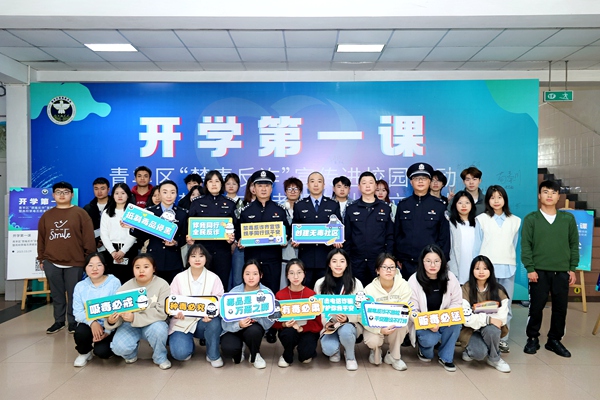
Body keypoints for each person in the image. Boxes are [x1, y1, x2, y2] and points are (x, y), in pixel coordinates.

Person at [522, 180, 578, 358]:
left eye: (553, 193)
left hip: (562, 271)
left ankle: (554, 340)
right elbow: (526, 246)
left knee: (560, 308)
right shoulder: (531, 219)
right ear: (539, 195)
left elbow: (574, 245)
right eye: (546, 192)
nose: (549, 196)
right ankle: (532, 338)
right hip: (538, 272)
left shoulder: (568, 219)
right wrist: (530, 268)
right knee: (536, 307)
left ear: (558, 196)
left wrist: (572, 268)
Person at [38, 181, 96, 334]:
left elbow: (88, 238)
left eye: (65, 192)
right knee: (57, 294)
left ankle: (73, 321)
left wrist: (88, 258)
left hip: (75, 262)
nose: (62, 195)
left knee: (74, 294)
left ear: (72, 194)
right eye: (58, 192)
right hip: (51, 261)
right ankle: (58, 321)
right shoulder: (47, 215)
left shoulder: (80, 213)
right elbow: (41, 239)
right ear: (53, 195)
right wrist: (41, 258)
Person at [474, 185, 521, 353]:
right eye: (492, 197)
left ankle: (503, 339)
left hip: (508, 267)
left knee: (505, 305)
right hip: (486, 270)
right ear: (488, 200)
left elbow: (513, 244)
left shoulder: (515, 221)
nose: (496, 201)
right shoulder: (481, 219)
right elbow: (477, 246)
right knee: (486, 305)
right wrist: (478, 267)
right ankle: (485, 337)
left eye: (499, 197)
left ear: (504, 199)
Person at [106, 254, 171, 369]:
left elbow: (162, 312)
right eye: (137, 267)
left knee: (159, 329)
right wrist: (111, 321)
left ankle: (160, 357)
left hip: (153, 323)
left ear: (153, 269)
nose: (141, 270)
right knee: (118, 348)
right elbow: (116, 311)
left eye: (146, 267)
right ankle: (131, 354)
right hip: (129, 325)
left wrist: (134, 317)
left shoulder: (162, 285)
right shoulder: (125, 287)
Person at [168, 244, 224, 367]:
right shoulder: (179, 278)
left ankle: (213, 355)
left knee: (215, 323)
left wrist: (212, 314)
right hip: (182, 321)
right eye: (193, 256)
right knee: (180, 354)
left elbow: (219, 300)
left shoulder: (214, 278)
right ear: (188, 259)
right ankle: (189, 346)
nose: (197, 259)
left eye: (201, 256)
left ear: (206, 258)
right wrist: (175, 313)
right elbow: (172, 299)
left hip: (204, 322)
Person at [408, 244, 462, 372]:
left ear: (442, 262)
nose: (433, 265)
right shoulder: (414, 280)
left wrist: (448, 317)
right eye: (428, 261)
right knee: (429, 343)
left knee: (456, 324)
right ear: (422, 262)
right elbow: (412, 309)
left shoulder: (450, 277)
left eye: (436, 261)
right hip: (423, 323)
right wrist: (428, 324)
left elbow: (457, 302)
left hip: (444, 320)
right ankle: (424, 350)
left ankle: (446, 357)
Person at [237, 170, 291, 295]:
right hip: (252, 261)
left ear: (271, 189)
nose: (263, 189)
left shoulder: (280, 210)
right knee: (251, 293)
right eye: (260, 185)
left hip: (272, 260)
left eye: (266, 186)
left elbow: (287, 231)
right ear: (254, 189)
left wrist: (285, 238)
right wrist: (240, 241)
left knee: (272, 293)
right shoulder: (246, 211)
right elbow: (239, 233)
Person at [394, 163, 450, 280]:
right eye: (416, 178)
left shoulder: (439, 206)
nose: (420, 181)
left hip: (431, 263)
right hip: (407, 262)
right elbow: (397, 233)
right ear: (411, 182)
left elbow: (444, 237)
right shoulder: (403, 205)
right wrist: (398, 257)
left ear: (429, 181)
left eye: (424, 178)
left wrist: (442, 259)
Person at [314, 249, 364, 371]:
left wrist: (347, 319)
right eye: (334, 261)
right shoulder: (320, 283)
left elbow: (361, 309)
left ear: (347, 264)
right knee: (328, 349)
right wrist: (327, 322)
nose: (338, 264)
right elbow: (317, 310)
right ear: (329, 264)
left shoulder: (356, 283)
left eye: (342, 261)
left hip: (349, 324)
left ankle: (350, 356)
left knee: (346, 331)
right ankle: (335, 350)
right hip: (329, 325)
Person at [130, 180, 188, 284]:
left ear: (176, 194)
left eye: (172, 192)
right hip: (153, 259)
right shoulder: (149, 212)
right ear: (159, 194)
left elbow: (184, 236)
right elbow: (142, 236)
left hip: (173, 260)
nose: (169, 196)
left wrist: (175, 242)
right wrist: (133, 227)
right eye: (165, 192)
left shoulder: (182, 213)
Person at [459, 255, 511, 373]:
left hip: (489, 328)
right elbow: (466, 318)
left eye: (485, 268)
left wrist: (477, 313)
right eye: (477, 268)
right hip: (470, 330)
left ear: (490, 270)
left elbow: (501, 318)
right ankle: (470, 350)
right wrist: (489, 319)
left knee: (492, 330)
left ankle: (494, 358)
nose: (481, 272)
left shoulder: (499, 290)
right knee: (478, 353)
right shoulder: (466, 289)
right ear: (472, 271)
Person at [220, 260, 275, 369]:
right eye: (247, 273)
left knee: (253, 331)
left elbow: (269, 322)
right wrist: (239, 324)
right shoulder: (234, 292)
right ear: (242, 275)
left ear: (261, 275)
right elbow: (225, 322)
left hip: (254, 328)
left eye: (255, 274)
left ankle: (255, 354)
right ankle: (240, 349)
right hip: (235, 328)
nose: (251, 277)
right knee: (228, 349)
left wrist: (255, 319)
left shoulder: (267, 293)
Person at [187, 170, 236, 290]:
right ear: (206, 184)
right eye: (210, 181)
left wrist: (232, 238)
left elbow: (236, 226)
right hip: (202, 252)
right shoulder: (197, 203)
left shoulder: (230, 204)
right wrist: (189, 237)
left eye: (217, 181)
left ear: (221, 184)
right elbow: (189, 225)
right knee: (201, 285)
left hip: (222, 251)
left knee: (221, 284)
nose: (214, 184)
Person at [344, 171, 394, 287]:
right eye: (364, 183)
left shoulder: (385, 208)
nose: (367, 186)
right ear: (359, 186)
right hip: (356, 261)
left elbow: (390, 236)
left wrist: (388, 258)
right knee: (356, 291)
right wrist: (347, 259)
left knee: (379, 291)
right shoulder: (351, 208)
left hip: (378, 261)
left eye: (371, 183)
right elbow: (347, 236)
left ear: (375, 186)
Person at [292, 172, 342, 289]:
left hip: (326, 258)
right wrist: (295, 238)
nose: (316, 184)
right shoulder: (299, 205)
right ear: (308, 185)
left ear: (324, 185)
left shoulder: (333, 204)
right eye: (312, 181)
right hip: (306, 258)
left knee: (326, 291)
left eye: (319, 181)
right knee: (306, 292)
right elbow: (294, 227)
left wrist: (338, 239)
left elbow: (339, 227)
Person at [362, 253, 411, 371]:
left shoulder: (404, 286)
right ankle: (375, 350)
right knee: (373, 341)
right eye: (384, 267)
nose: (388, 270)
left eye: (392, 267)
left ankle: (394, 356)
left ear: (396, 269)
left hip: (395, 324)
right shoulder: (369, 289)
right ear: (377, 270)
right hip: (376, 326)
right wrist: (380, 330)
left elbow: (405, 311)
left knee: (402, 325)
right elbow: (363, 316)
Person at [72, 252, 121, 367]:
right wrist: (92, 322)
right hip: (89, 324)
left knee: (102, 352)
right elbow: (78, 312)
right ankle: (84, 352)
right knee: (80, 332)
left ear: (104, 266)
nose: (94, 269)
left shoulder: (114, 282)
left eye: (99, 265)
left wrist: (108, 330)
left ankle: (105, 345)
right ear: (85, 268)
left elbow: (118, 308)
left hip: (110, 324)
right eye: (90, 265)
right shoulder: (80, 286)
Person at [273, 259, 322, 367]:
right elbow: (274, 321)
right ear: (287, 275)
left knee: (305, 357)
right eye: (291, 273)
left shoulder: (312, 295)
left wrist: (301, 328)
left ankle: (307, 350)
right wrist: (284, 324)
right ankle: (287, 354)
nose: (295, 277)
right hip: (289, 330)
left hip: (307, 330)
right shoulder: (280, 295)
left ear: (304, 274)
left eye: (299, 272)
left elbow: (318, 323)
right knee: (288, 334)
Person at [100, 183, 137, 284]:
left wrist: (123, 251)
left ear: (128, 195)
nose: (119, 196)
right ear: (113, 195)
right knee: (111, 281)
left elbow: (133, 233)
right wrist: (113, 252)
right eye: (116, 193)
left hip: (129, 249)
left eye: (123, 193)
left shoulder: (133, 213)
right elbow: (104, 234)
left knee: (128, 280)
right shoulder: (107, 212)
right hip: (111, 250)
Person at [447, 190, 477, 284]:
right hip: (456, 266)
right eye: (460, 203)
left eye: (467, 203)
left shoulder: (478, 223)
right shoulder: (450, 223)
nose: (464, 206)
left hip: (474, 266)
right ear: (455, 205)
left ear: (472, 205)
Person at [280, 176, 303, 288]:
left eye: (296, 189)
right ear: (285, 192)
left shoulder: (305, 208)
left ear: (300, 191)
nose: (293, 191)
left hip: (302, 251)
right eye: (289, 189)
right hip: (284, 252)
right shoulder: (279, 208)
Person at [225, 172, 245, 290]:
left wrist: (235, 241)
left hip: (238, 244)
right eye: (228, 183)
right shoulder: (220, 201)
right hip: (222, 244)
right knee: (225, 275)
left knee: (237, 277)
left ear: (238, 186)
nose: (231, 186)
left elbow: (243, 225)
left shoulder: (243, 204)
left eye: (234, 183)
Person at [83, 177, 110, 253]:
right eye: (96, 189)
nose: (99, 192)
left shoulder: (115, 206)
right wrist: (94, 241)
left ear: (108, 190)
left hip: (113, 245)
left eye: (102, 188)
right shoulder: (87, 208)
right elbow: (85, 229)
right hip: (93, 246)